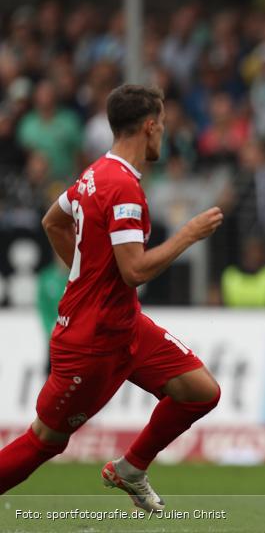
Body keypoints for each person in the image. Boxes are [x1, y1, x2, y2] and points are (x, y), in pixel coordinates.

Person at [0, 85, 224, 513]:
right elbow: (135, 270)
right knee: (44, 440)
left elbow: (53, 221)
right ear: (150, 126)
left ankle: (132, 468)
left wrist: (87, 276)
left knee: (200, 392)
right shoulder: (122, 187)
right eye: (163, 126)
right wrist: (188, 235)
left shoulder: (94, 174)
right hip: (92, 341)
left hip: (124, 323)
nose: (164, 134)